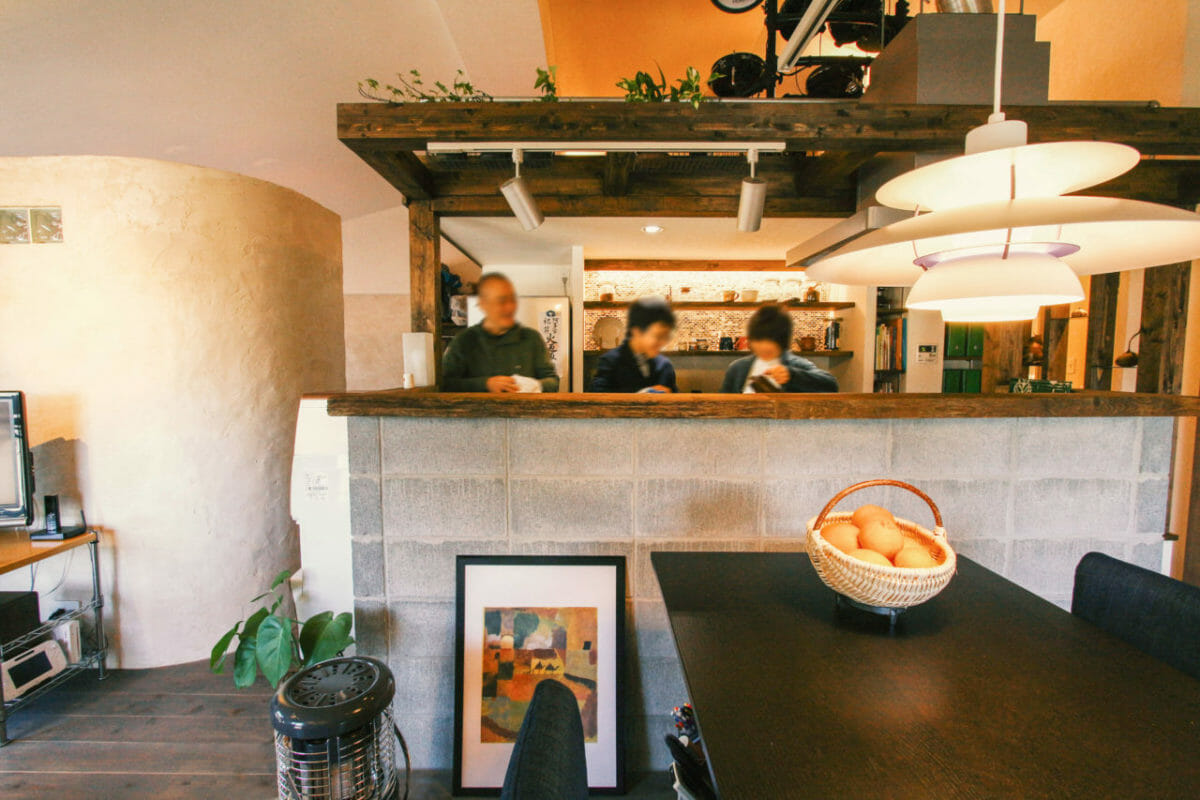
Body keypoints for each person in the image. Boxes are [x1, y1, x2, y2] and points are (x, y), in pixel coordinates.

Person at [442, 272, 559, 393]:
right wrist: (485, 384)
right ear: (483, 304)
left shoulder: (532, 338)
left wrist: (536, 385)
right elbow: (445, 385)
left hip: (525, 406)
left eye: (512, 300)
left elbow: (553, 382)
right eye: (501, 301)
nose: (509, 307)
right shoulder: (464, 341)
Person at [720, 304, 838, 393]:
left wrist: (792, 376)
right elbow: (722, 404)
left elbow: (831, 385)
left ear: (782, 341)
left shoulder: (796, 365)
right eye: (759, 339)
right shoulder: (737, 368)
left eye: (770, 340)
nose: (764, 346)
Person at [589, 296, 678, 393]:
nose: (663, 342)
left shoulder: (664, 366)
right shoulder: (611, 361)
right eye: (658, 336)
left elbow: (676, 399)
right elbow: (596, 397)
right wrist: (642, 394)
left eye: (665, 336)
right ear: (637, 331)